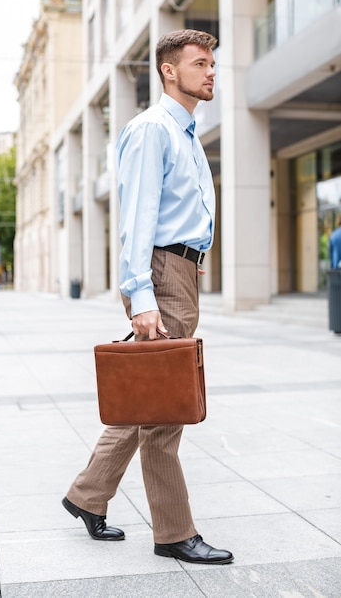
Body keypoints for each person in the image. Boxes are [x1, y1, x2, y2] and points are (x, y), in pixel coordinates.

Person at [62, 29, 233, 565]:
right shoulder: (152, 131)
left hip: (183, 272)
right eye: (200, 64)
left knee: (152, 395)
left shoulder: (185, 134)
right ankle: (173, 533)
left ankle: (87, 495)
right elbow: (135, 220)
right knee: (165, 411)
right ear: (168, 70)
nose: (211, 73)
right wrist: (141, 297)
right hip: (162, 272)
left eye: (212, 64)